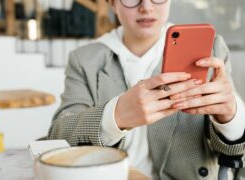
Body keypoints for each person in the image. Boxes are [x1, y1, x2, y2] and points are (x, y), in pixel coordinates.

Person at [47, 0, 245, 179]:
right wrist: (115, 116)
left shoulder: (210, 50)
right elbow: (59, 135)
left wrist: (230, 117)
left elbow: (236, 149)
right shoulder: (84, 60)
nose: (147, 7)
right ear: (112, 3)